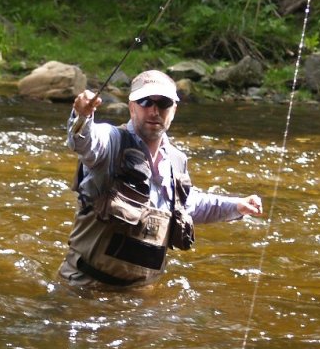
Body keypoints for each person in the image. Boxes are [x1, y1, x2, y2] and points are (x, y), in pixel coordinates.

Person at [59, 69, 263, 290]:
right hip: (85, 288)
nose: (154, 110)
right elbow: (84, 141)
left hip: (140, 295)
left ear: (173, 110)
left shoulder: (177, 160)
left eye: (163, 103)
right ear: (131, 107)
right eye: (145, 101)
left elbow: (188, 206)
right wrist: (82, 115)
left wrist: (237, 206)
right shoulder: (110, 142)